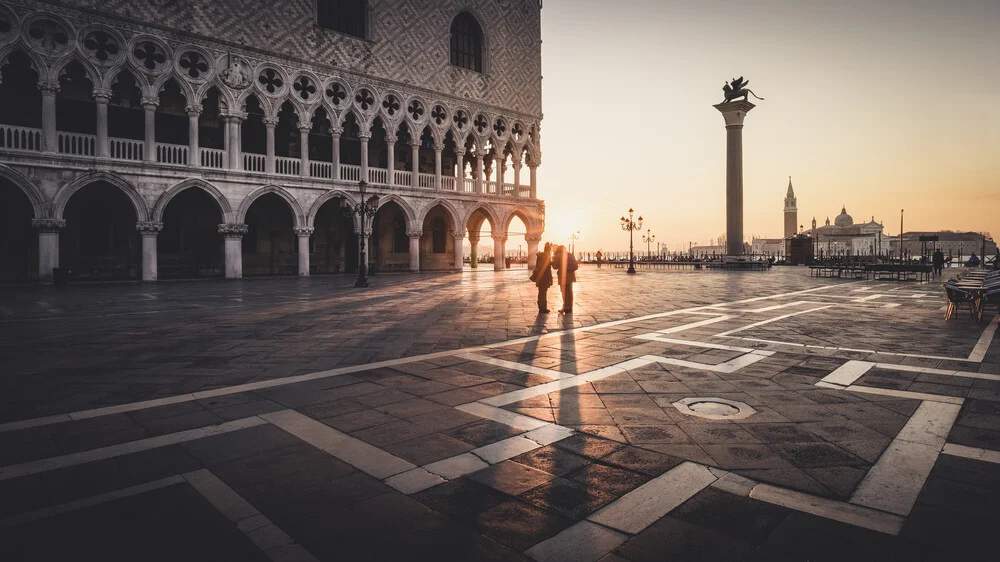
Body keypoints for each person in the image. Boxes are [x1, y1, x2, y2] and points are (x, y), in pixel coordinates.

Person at [552, 245, 578, 314]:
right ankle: (570, 308)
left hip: (563, 277)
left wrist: (552, 262)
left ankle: (565, 307)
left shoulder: (558, 255)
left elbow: (555, 267)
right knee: (570, 292)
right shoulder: (570, 255)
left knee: (564, 292)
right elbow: (576, 265)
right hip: (571, 277)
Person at [529, 243, 553, 313]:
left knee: (541, 293)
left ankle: (541, 307)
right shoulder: (547, 256)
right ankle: (543, 308)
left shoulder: (540, 256)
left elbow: (538, 266)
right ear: (549, 250)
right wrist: (551, 279)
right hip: (545, 277)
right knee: (543, 293)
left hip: (540, 277)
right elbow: (548, 269)